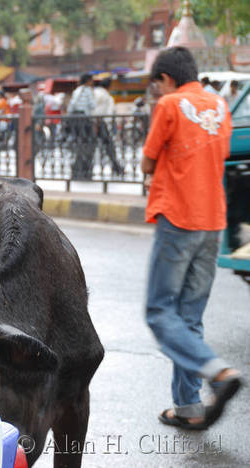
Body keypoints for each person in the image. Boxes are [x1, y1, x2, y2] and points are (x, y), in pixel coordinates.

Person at [141, 46, 242, 431]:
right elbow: (220, 153)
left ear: (166, 79)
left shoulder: (170, 105)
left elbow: (148, 161)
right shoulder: (220, 106)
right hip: (213, 223)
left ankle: (218, 373)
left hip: (179, 220)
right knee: (188, 318)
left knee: (160, 312)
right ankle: (187, 406)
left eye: (158, 84)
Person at [67, 73, 96, 179]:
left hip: (74, 119)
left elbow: (72, 105)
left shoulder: (77, 90)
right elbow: (92, 105)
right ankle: (84, 167)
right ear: (88, 80)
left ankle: (77, 168)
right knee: (87, 142)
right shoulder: (87, 90)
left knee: (78, 142)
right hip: (84, 119)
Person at [93, 78, 122, 176]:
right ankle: (116, 167)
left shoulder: (95, 92)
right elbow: (105, 111)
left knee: (90, 146)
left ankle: (83, 168)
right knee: (109, 145)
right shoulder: (105, 96)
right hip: (100, 122)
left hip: (94, 121)